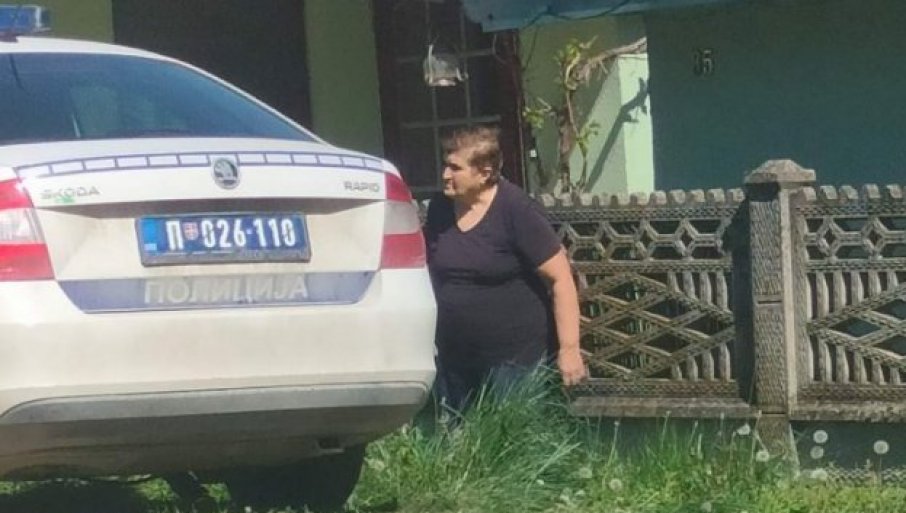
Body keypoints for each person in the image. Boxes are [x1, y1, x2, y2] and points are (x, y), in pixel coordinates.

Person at [424, 125, 587, 412]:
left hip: (513, 362)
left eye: (455, 168)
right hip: (455, 358)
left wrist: (570, 349)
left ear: (484, 173)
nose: (445, 175)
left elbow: (561, 279)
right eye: (445, 165)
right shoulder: (440, 209)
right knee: (457, 435)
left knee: (511, 434)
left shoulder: (516, 210)